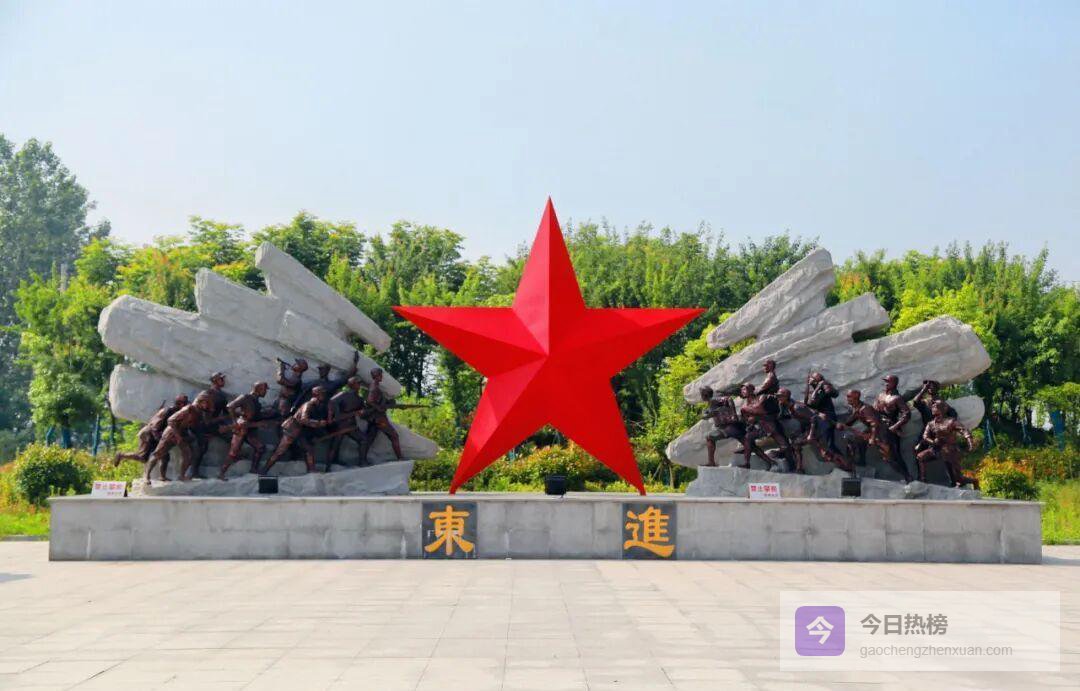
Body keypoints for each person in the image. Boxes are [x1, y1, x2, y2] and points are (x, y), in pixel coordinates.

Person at [837, 389, 911, 482]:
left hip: (883, 433)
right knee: (854, 440)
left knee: (890, 458)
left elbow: (874, 424)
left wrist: (872, 438)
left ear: (856, 398)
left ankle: (907, 477)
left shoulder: (865, 409)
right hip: (875, 432)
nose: (847, 399)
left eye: (849, 397)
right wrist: (842, 424)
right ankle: (859, 462)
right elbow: (852, 419)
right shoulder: (858, 408)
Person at [776, 388, 851, 473]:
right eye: (777, 396)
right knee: (796, 444)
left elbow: (813, 418)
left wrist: (810, 435)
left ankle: (846, 467)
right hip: (811, 428)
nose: (778, 398)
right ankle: (799, 468)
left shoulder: (797, 407)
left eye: (780, 396)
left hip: (819, 428)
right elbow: (800, 420)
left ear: (786, 397)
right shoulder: (788, 406)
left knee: (826, 452)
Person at [146, 392, 214, 482]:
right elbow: (171, 420)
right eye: (206, 403)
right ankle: (147, 477)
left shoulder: (199, 412)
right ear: (201, 402)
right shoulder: (188, 409)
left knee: (188, 455)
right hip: (171, 433)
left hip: (182, 433)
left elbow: (198, 425)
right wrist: (178, 436)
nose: (207, 405)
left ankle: (182, 476)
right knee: (158, 454)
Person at [698, 386, 770, 468]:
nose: (701, 396)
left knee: (709, 437)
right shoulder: (712, 403)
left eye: (701, 394)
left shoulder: (714, 400)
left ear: (705, 394)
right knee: (750, 445)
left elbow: (728, 399)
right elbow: (707, 414)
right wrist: (708, 414)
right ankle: (770, 462)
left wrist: (733, 414)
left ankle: (711, 462)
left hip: (728, 427)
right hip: (732, 427)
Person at [264, 385, 330, 474]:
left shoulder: (317, 405)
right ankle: (264, 470)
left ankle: (312, 471)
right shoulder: (308, 405)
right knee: (280, 451)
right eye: (322, 394)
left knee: (309, 449)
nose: (324, 396)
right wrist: (318, 423)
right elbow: (303, 419)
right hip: (292, 429)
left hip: (300, 431)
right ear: (316, 395)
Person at [917, 401, 979, 488]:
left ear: (942, 409)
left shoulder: (951, 421)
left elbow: (964, 430)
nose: (933, 408)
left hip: (950, 450)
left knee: (958, 479)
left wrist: (970, 442)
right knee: (920, 456)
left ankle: (974, 481)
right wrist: (933, 442)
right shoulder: (931, 424)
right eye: (932, 407)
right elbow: (925, 436)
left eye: (935, 407)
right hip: (936, 449)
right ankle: (923, 480)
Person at [114, 394, 188, 466]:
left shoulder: (176, 413)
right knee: (142, 457)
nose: (186, 405)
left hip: (154, 435)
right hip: (148, 433)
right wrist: (159, 439)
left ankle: (162, 475)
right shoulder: (167, 411)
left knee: (163, 456)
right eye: (185, 403)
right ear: (181, 404)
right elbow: (154, 426)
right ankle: (121, 455)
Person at [219, 381, 272, 479]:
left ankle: (253, 470)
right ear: (259, 389)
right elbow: (230, 406)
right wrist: (235, 422)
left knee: (260, 448)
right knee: (233, 452)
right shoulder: (245, 397)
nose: (265, 392)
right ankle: (221, 473)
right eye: (264, 390)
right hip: (241, 428)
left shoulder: (256, 401)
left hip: (250, 428)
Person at [190, 372, 232, 478]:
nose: (223, 381)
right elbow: (196, 409)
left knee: (232, 436)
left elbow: (226, 412)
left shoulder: (222, 395)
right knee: (202, 447)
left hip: (214, 423)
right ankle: (194, 472)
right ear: (214, 381)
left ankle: (233, 460)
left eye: (223, 379)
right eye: (221, 379)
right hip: (201, 424)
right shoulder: (206, 393)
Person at [737, 382, 787, 471]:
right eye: (741, 390)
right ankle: (747, 463)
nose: (742, 391)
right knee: (748, 438)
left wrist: (750, 413)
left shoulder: (761, 397)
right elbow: (747, 419)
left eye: (744, 389)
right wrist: (750, 421)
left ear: (751, 390)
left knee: (784, 445)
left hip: (771, 425)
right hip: (760, 427)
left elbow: (760, 410)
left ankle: (792, 464)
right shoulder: (745, 405)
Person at [292, 351, 360, 412]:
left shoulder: (331, 384)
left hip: (319, 412)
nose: (320, 371)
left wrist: (355, 363)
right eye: (320, 369)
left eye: (322, 369)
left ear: (327, 370)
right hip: (305, 409)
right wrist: (294, 406)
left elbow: (347, 377)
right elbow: (301, 391)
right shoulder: (313, 382)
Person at [360, 368, 403, 463]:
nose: (382, 376)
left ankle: (362, 460)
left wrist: (389, 402)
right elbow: (370, 401)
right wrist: (378, 408)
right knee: (394, 436)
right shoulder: (374, 387)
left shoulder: (374, 386)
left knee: (369, 439)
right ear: (377, 376)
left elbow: (377, 400)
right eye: (380, 374)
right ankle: (400, 458)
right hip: (380, 419)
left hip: (374, 419)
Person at [326, 376, 369, 469]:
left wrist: (363, 412)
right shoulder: (344, 394)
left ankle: (362, 462)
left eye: (360, 383)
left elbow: (363, 412)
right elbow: (331, 402)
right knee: (335, 444)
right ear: (352, 385)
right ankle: (328, 468)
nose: (359, 385)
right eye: (358, 383)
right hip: (340, 424)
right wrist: (335, 415)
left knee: (364, 440)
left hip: (351, 425)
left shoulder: (359, 399)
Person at [907, 380, 957, 454]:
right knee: (918, 450)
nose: (929, 388)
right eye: (928, 387)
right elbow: (915, 402)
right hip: (926, 431)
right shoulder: (925, 402)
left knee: (940, 452)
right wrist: (923, 389)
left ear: (936, 389)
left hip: (939, 431)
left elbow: (953, 415)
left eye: (932, 386)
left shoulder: (941, 403)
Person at [873, 375, 912, 468]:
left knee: (894, 455)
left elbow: (907, 414)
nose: (885, 384)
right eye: (885, 381)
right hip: (879, 426)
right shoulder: (881, 395)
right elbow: (874, 409)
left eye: (888, 382)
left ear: (894, 383)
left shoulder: (897, 398)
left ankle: (906, 474)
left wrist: (895, 427)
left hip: (889, 428)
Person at [805, 372, 843, 456]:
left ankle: (843, 460)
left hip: (827, 418)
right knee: (826, 444)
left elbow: (833, 393)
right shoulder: (816, 391)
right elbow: (808, 404)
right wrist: (814, 387)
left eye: (814, 379)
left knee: (829, 445)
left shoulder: (823, 389)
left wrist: (822, 385)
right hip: (820, 419)